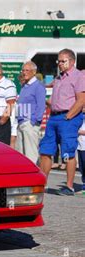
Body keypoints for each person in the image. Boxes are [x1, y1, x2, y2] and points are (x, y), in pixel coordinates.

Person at [39, 49, 85, 196]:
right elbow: (55, 99)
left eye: (62, 61)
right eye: (58, 61)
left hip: (68, 117)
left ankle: (69, 186)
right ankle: (42, 184)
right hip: (54, 116)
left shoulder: (78, 76)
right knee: (45, 150)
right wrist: (48, 103)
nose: (59, 64)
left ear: (72, 61)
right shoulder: (59, 78)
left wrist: (68, 116)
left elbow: (81, 100)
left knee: (68, 152)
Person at [15, 61, 46, 164]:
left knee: (30, 155)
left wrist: (34, 122)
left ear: (34, 72)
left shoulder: (38, 86)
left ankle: (33, 178)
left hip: (30, 123)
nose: (24, 72)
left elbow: (41, 106)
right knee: (21, 154)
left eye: (27, 70)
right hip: (21, 122)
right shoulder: (25, 86)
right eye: (23, 70)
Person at [0, 62, 17, 145]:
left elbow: (11, 104)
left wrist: (2, 121)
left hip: (0, 120)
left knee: (0, 148)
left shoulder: (8, 84)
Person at [78, 117, 85, 194]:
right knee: (82, 167)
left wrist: (79, 132)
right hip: (80, 145)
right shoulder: (80, 117)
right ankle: (83, 184)